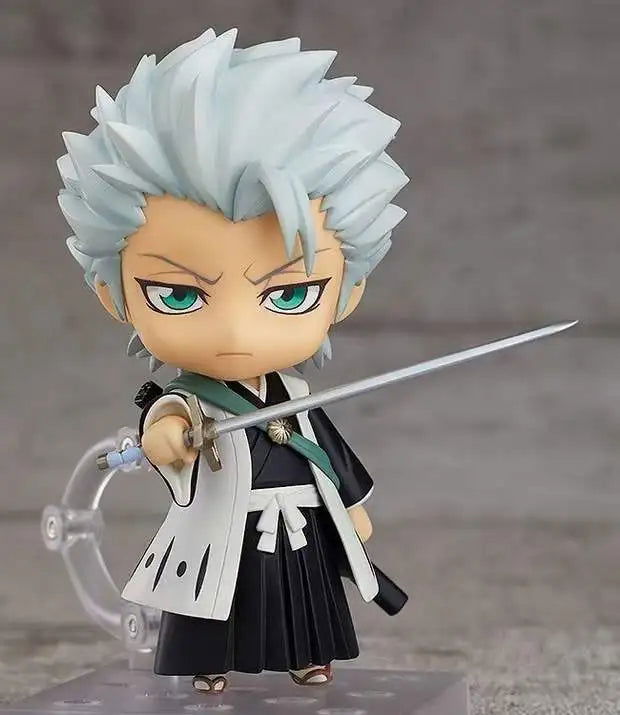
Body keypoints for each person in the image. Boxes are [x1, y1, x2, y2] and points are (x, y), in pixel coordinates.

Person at [57, 27, 409, 693]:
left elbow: (327, 453)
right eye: (180, 294)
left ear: (349, 291)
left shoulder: (294, 393)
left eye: (289, 294)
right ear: (113, 293)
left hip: (298, 522)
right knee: (212, 602)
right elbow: (164, 427)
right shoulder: (189, 399)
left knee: (302, 600)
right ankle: (207, 665)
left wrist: (348, 505)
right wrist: (166, 439)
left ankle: (307, 656)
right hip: (218, 528)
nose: (236, 329)